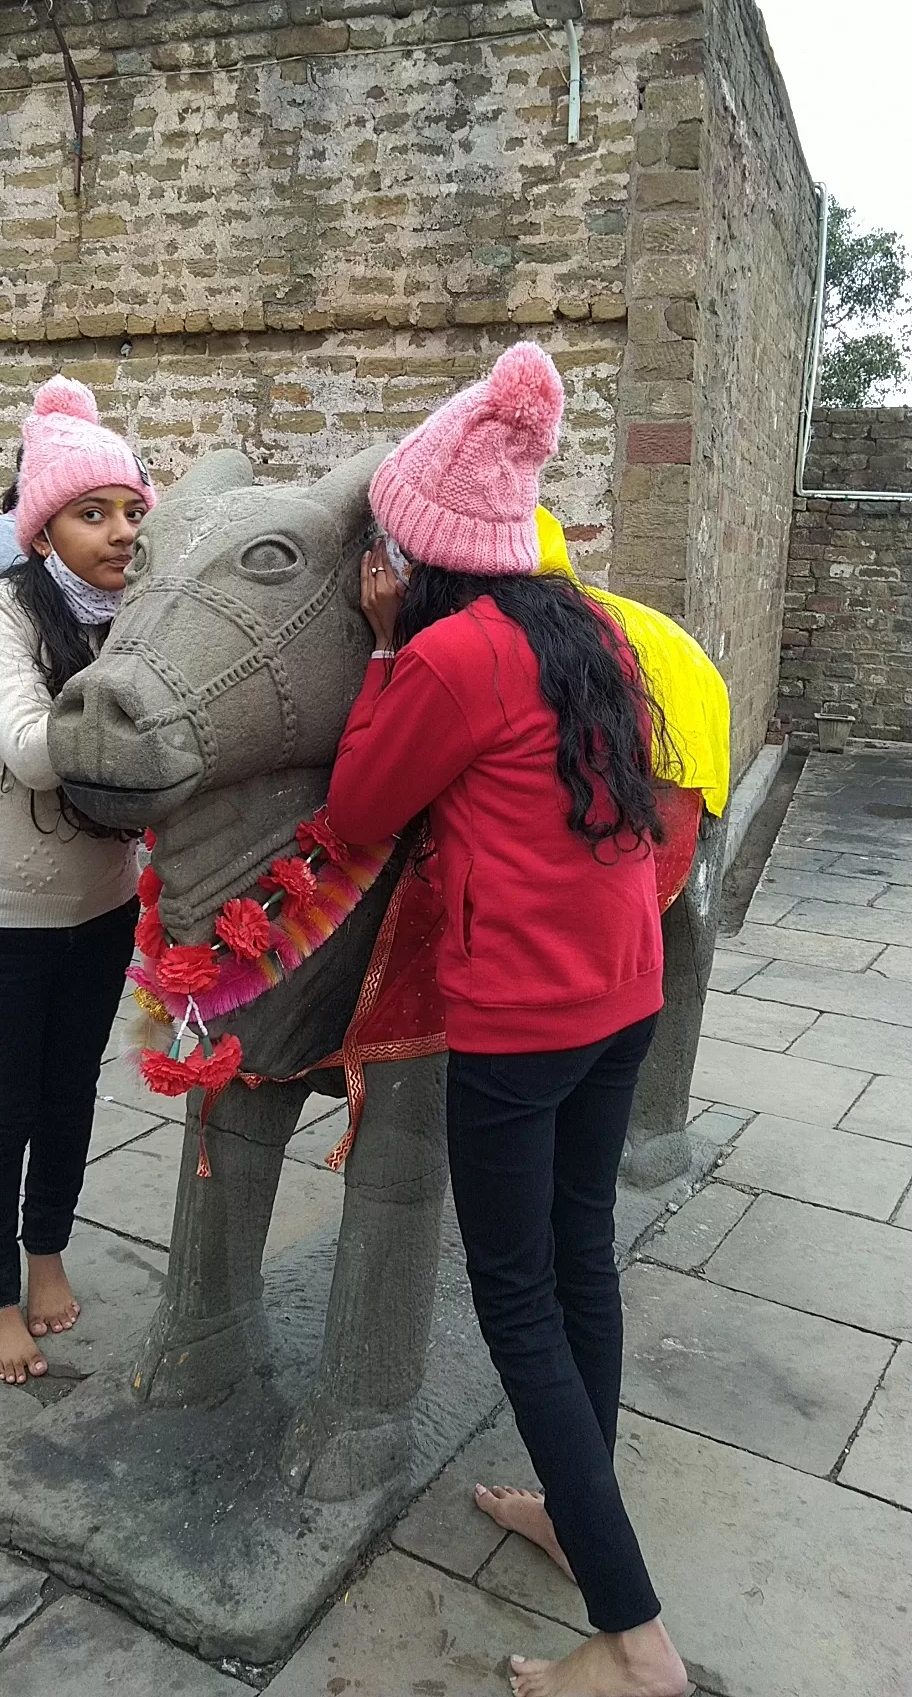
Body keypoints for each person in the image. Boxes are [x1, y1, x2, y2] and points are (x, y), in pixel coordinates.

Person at [327, 343, 688, 1697]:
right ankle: (574, 1517)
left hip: (522, 1020)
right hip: (620, 995)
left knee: (519, 1299)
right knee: (582, 1258)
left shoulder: (449, 658)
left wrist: (376, 648)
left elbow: (362, 812)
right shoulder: (583, 625)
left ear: (416, 553)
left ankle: (637, 1644)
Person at [0, 374, 156, 1386]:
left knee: (69, 1096)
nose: (120, 533)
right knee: (2, 1106)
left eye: (131, 511)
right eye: (92, 512)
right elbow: (31, 750)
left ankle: (47, 1254)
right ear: (42, 528)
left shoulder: (137, 617)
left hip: (101, 906)